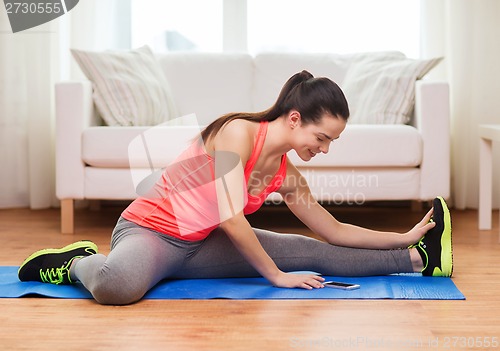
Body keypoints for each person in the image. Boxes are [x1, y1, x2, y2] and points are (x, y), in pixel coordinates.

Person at [18, 70, 453, 305]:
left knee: (317, 255)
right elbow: (230, 213)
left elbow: (333, 230)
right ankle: (77, 263)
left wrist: (404, 236)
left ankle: (419, 259)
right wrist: (277, 277)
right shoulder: (237, 134)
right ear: (295, 118)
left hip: (207, 241)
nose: (323, 150)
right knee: (117, 287)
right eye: (321, 138)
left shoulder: (287, 173)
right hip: (152, 232)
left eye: (330, 143)